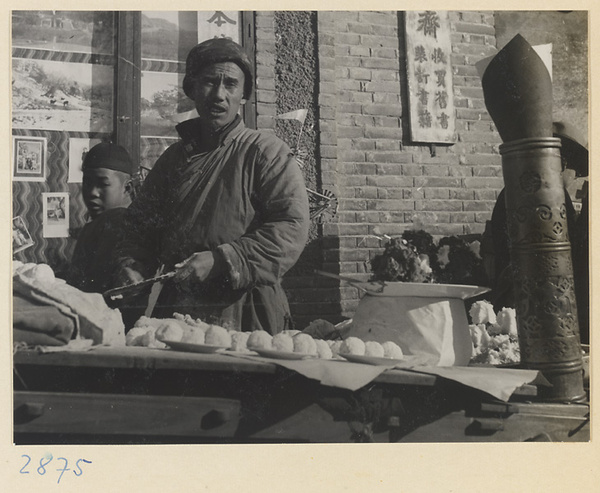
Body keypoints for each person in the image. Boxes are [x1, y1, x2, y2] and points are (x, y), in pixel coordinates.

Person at [115, 38, 310, 334]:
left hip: (246, 312)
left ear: (244, 94)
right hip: (178, 313)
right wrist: (133, 266)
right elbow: (140, 228)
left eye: (230, 84)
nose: (219, 95)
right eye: (208, 82)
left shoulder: (265, 152)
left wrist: (223, 259)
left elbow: (291, 227)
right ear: (192, 89)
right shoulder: (172, 160)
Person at [484, 121, 589, 343]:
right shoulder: (548, 197)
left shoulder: (517, 189)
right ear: (560, 163)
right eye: (575, 172)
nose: (573, 180)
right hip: (534, 300)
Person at [68, 142, 134, 295]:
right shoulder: (97, 225)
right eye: (87, 182)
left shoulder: (120, 222)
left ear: (127, 188)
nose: (92, 192)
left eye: (102, 184)